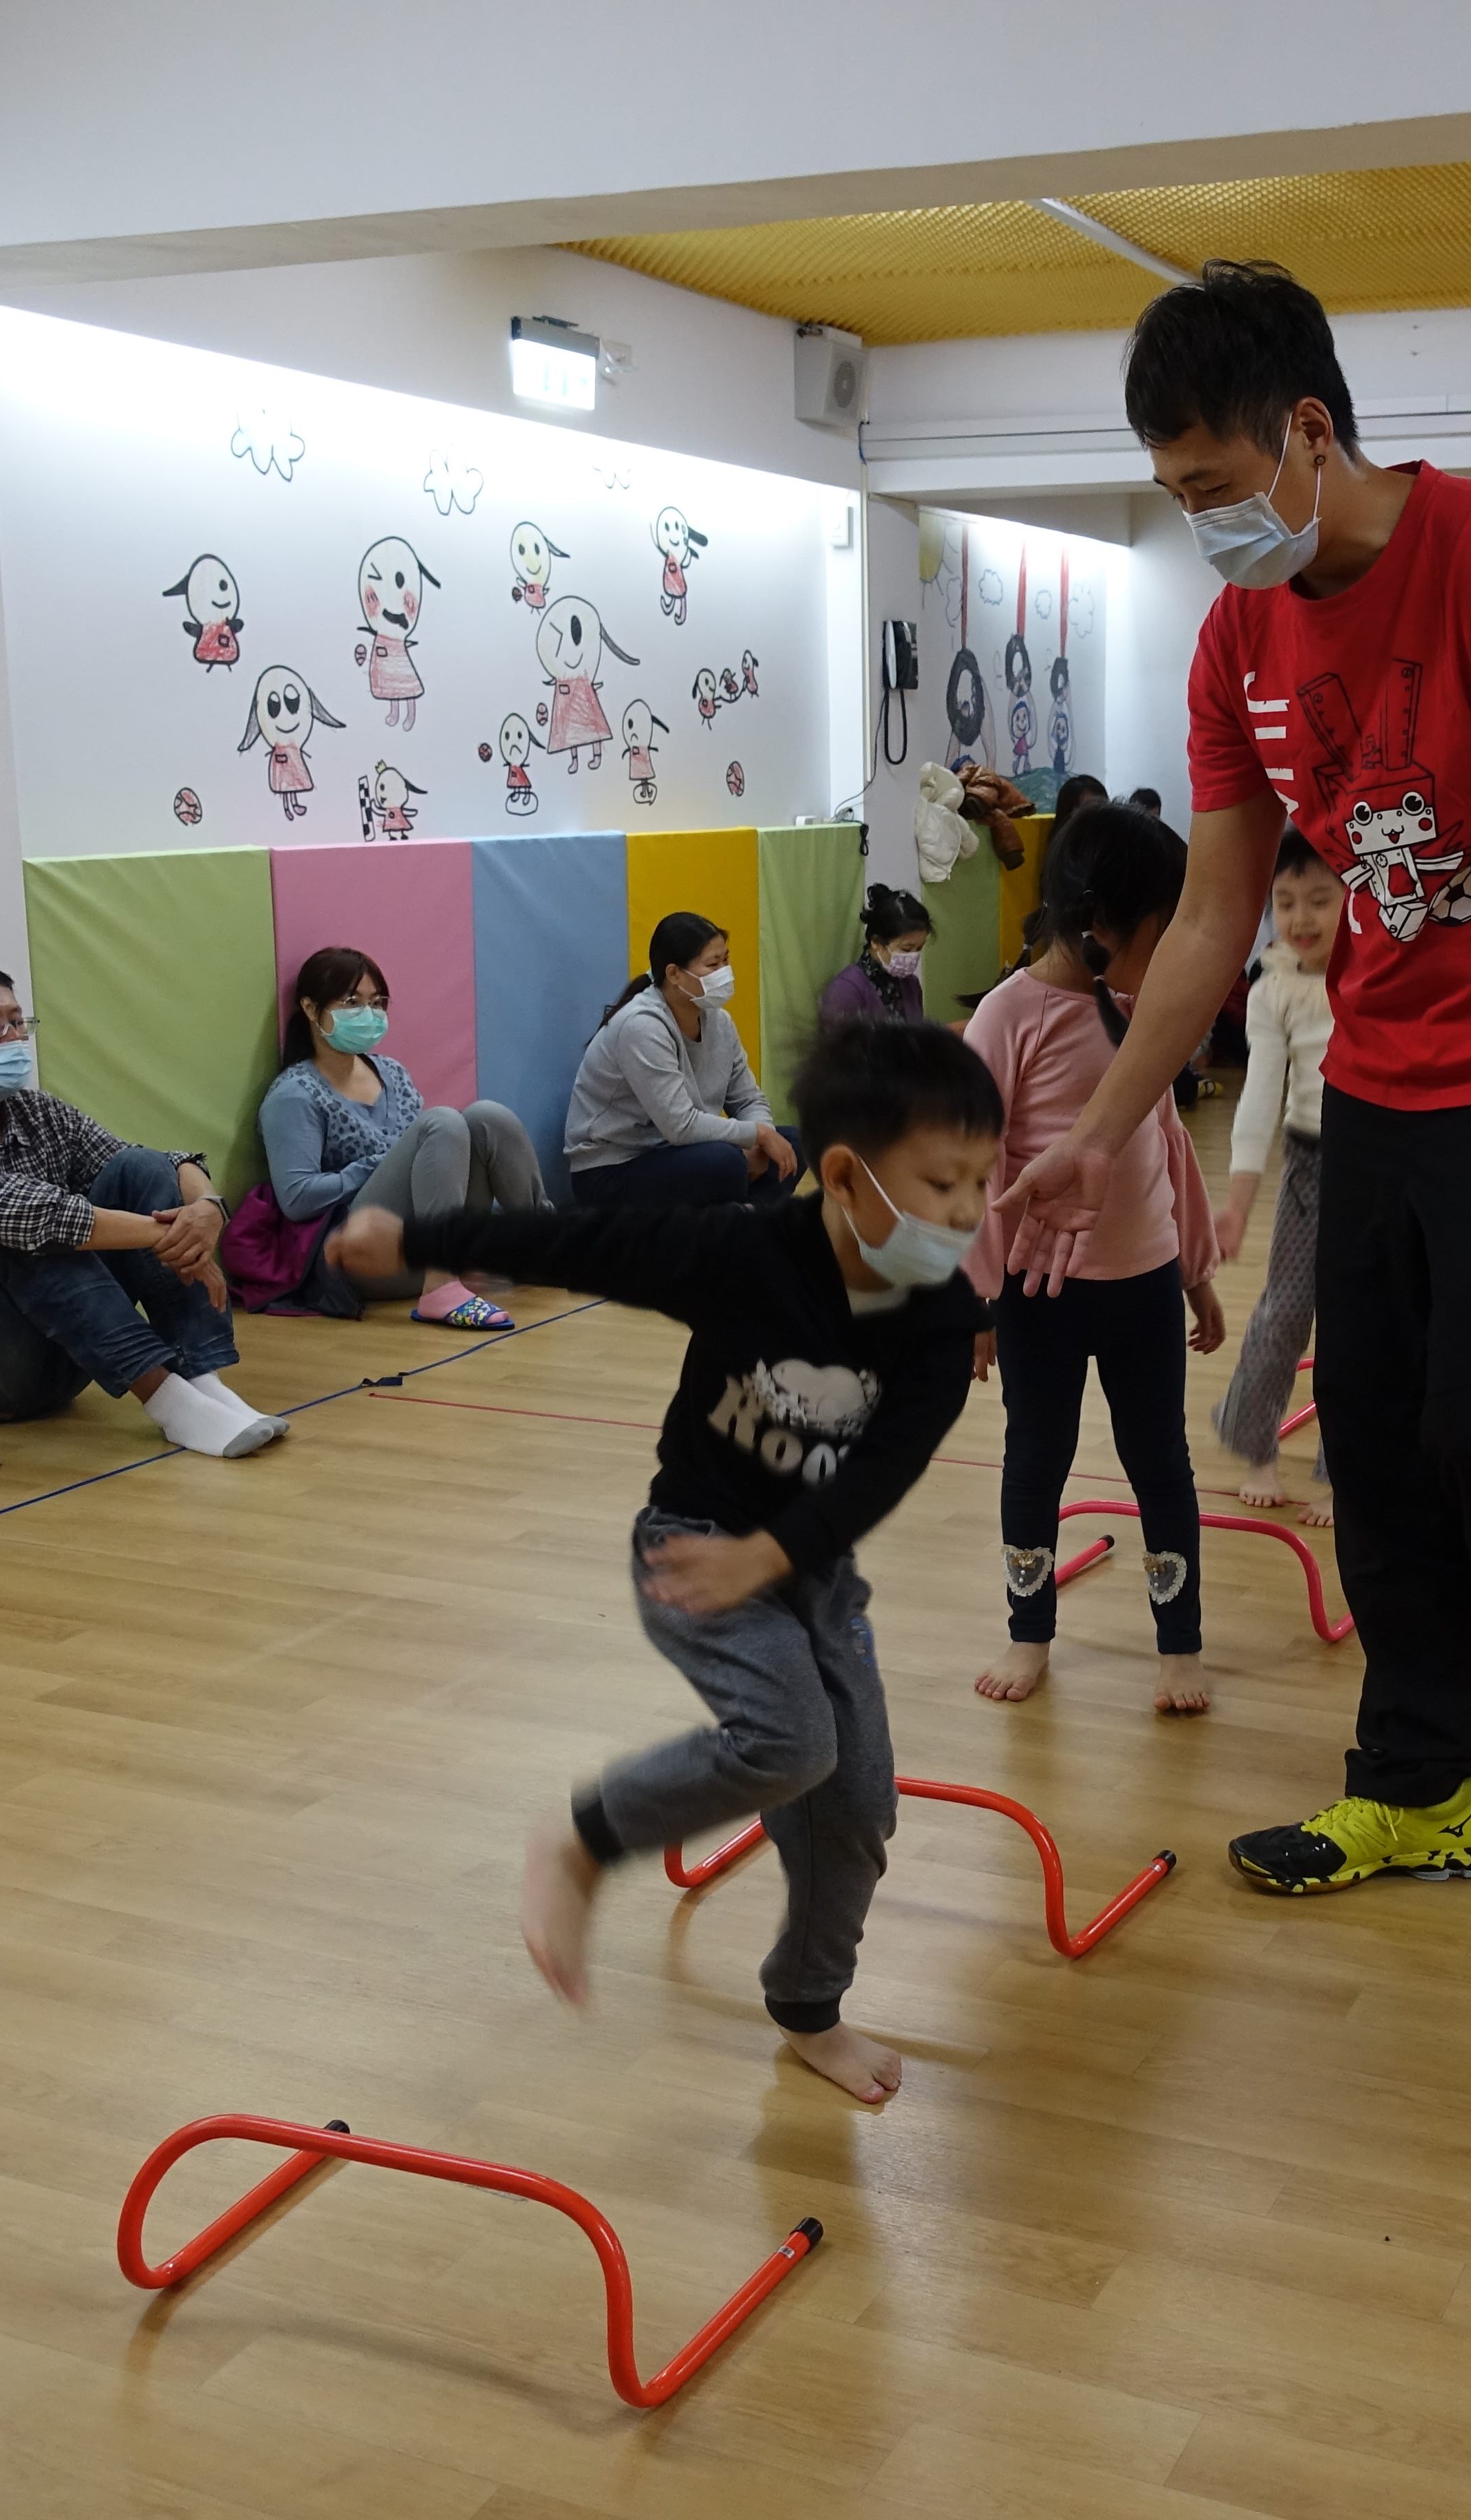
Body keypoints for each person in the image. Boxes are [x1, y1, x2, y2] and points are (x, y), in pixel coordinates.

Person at [997, 261, 1471, 1892]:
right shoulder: (1238, 633)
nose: (1201, 525)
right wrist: (1100, 1133)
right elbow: (1214, 914)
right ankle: (1417, 1783)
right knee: (1371, 1447)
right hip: (1377, 1093)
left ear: (1309, 431)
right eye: (1174, 496)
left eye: (1214, 486)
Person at [329, 1019, 1001, 2104]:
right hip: (694, 1549)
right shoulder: (741, 1255)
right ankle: (583, 1840)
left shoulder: (938, 1318)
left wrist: (778, 1556)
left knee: (858, 1803)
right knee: (792, 1741)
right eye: (943, 1183)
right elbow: (578, 1243)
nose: (968, 1212)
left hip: (809, 1570)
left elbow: (885, 1473)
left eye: (982, 1181)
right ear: (843, 1175)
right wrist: (414, 1238)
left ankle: (809, 2008)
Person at [963, 804, 1227, 1716]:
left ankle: (1180, 1643)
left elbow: (1169, 1141)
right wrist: (978, 1300)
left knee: (1160, 1458)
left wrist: (1196, 1272)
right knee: (1037, 1455)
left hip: (1143, 1283)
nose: (1179, 945)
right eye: (1166, 925)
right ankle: (1028, 1630)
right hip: (1039, 1291)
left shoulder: (1144, 1011)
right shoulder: (1009, 1015)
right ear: (1100, 926)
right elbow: (977, 1167)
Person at [0, 954, 287, 1456]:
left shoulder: (36, 1112)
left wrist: (208, 1209)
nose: (11, 1039)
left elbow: (157, 1164)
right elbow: (21, 1215)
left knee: (140, 1169)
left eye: (17, 1022)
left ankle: (201, 1380)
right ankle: (172, 1404)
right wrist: (171, 1235)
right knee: (21, 1230)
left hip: (56, 1362)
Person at [258, 945, 544, 1330]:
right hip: (362, 1253)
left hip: (420, 1239)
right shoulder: (295, 1095)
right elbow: (297, 1199)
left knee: (487, 1117)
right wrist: (376, 1165)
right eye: (352, 1002)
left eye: (376, 1003)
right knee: (442, 1122)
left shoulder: (391, 1073)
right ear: (311, 1009)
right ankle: (440, 1287)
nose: (368, 1013)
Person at [1212, 832, 1339, 1525]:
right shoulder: (1274, 986)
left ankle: (1345, 1471)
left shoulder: (1375, 976)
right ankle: (1256, 1449)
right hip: (1309, 1165)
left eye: (1320, 900)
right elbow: (1261, 1097)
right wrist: (1237, 1205)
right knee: (1283, 1313)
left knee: (1358, 1325)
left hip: (1379, 1162)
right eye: (1285, 902)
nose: (1301, 918)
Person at [568, 912, 800, 1206]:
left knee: (792, 1144)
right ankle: (731, 1220)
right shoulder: (641, 1025)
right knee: (725, 1162)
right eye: (713, 965)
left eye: (726, 960)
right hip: (612, 1169)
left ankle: (748, 1218)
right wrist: (757, 1135)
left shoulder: (720, 1023)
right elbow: (680, 1125)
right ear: (674, 974)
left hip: (680, 1154)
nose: (725, 973)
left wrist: (761, 1141)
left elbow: (747, 1099)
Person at [821, 884, 933, 1031]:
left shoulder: (911, 984)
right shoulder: (846, 990)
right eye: (906, 949)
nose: (913, 956)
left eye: (919, 948)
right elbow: (837, 1044)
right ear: (876, 943)